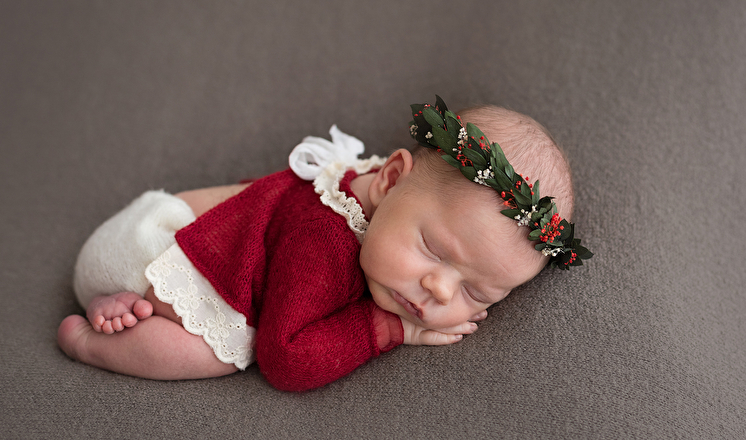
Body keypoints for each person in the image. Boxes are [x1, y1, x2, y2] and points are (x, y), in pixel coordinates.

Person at [57, 97, 591, 391]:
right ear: (391, 178)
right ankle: (91, 339)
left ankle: (120, 300)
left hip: (160, 216)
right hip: (142, 253)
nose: (439, 291)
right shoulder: (325, 243)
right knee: (223, 351)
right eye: (433, 249)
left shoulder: (375, 185)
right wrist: (389, 329)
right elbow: (285, 360)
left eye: (477, 293)